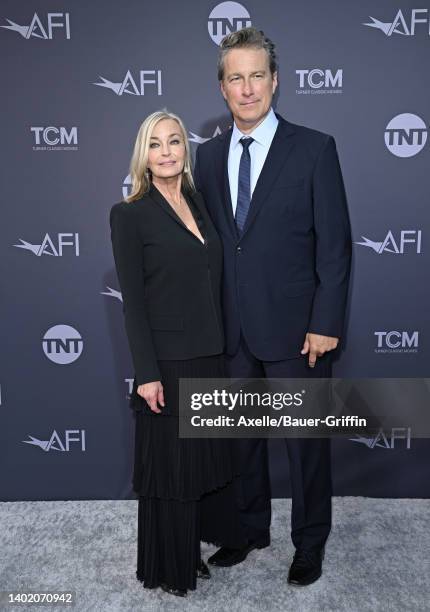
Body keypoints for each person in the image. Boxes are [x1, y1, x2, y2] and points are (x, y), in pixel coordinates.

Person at [194, 27, 352, 586]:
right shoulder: (206, 158)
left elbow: (334, 246)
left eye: (256, 75)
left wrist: (325, 322)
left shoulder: (314, 148)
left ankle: (309, 544)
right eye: (235, 77)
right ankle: (248, 529)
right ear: (222, 88)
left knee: (306, 449)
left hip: (297, 332)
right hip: (231, 331)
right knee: (241, 442)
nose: (247, 88)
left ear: (275, 81)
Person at [109, 110, 246, 597]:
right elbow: (133, 303)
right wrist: (146, 374)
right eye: (155, 144)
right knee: (170, 467)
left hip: (210, 353)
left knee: (202, 461)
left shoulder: (197, 200)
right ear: (142, 155)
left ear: (184, 150)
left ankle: (195, 547)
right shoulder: (128, 214)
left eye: (174, 142)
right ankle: (169, 565)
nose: (166, 152)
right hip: (167, 362)